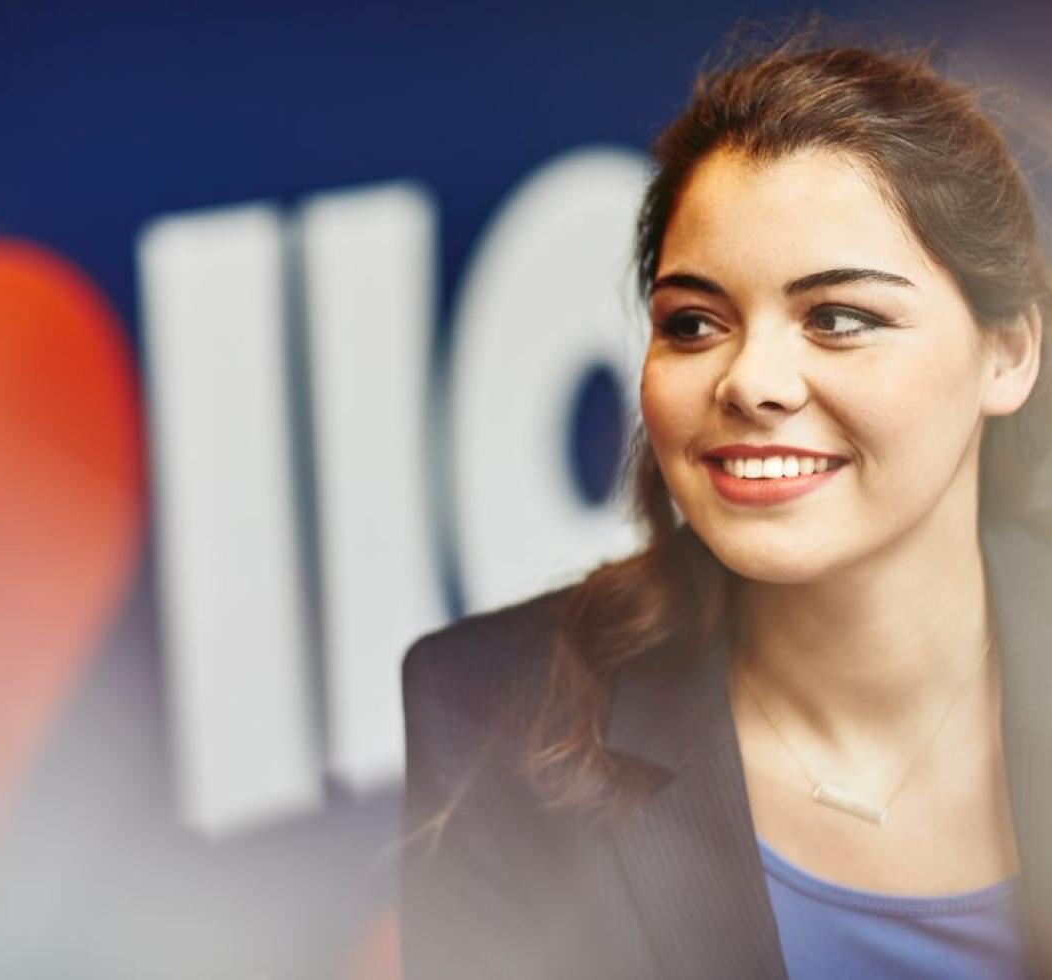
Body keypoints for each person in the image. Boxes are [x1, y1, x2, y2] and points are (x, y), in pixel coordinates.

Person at [399, 26, 1052, 980]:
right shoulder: (491, 709)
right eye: (694, 323)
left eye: (838, 318)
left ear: (1007, 353)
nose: (750, 382)